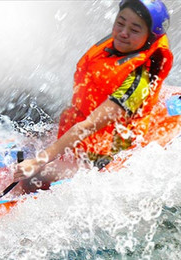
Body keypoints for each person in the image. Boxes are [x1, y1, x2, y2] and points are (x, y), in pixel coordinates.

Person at [14, 0, 173, 193]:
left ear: (150, 37)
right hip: (83, 138)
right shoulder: (115, 49)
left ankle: (13, 200)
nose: (123, 33)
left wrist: (39, 161)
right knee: (31, 141)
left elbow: (88, 126)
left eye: (134, 29)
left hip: (104, 157)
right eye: (120, 23)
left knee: (37, 176)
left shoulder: (137, 82)